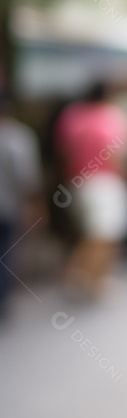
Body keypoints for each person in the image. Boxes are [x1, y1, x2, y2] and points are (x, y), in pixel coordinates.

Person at [55, 81, 127, 300]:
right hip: (105, 183)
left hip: (77, 182)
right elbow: (119, 154)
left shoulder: (71, 116)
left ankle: (95, 281)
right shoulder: (112, 117)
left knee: (96, 232)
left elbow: (64, 152)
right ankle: (78, 274)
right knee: (104, 234)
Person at [0, 93, 42, 318]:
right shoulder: (18, 137)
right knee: (6, 252)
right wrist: (33, 204)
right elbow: (27, 176)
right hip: (7, 207)